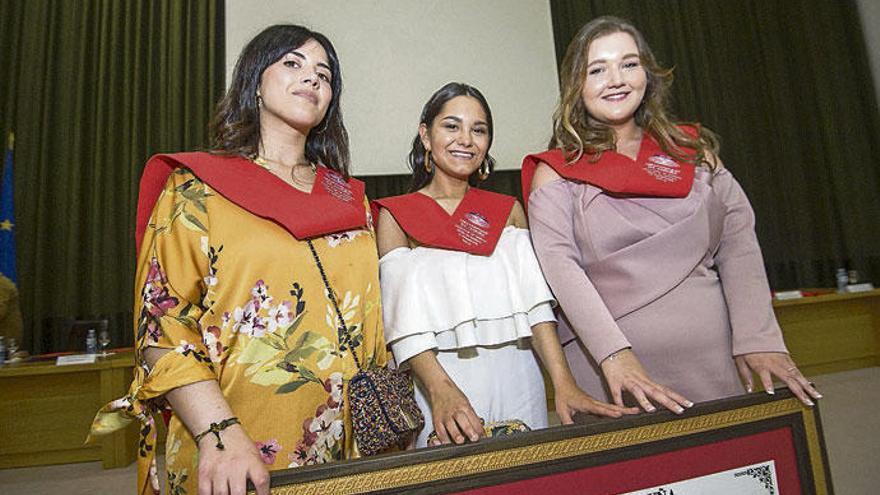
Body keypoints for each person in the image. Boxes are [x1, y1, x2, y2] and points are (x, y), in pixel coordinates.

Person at [88, 25, 388, 495]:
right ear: (254, 80)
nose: (312, 78)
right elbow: (162, 327)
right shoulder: (198, 189)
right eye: (292, 63)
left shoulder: (349, 198)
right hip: (238, 441)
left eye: (324, 74)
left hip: (353, 445)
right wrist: (219, 433)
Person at [521, 16, 821, 415]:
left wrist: (758, 338)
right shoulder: (556, 172)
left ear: (648, 74)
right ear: (576, 84)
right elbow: (561, 270)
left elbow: (739, 246)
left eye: (629, 64)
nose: (616, 79)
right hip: (610, 371)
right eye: (597, 69)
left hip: (712, 364)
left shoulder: (695, 154)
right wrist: (614, 356)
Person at [375, 82, 634, 448]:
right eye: (451, 126)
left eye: (478, 130)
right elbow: (403, 322)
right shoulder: (395, 215)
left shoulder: (507, 210)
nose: (465, 139)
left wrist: (563, 382)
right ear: (425, 135)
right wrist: (440, 392)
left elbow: (535, 306)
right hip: (439, 382)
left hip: (519, 375)